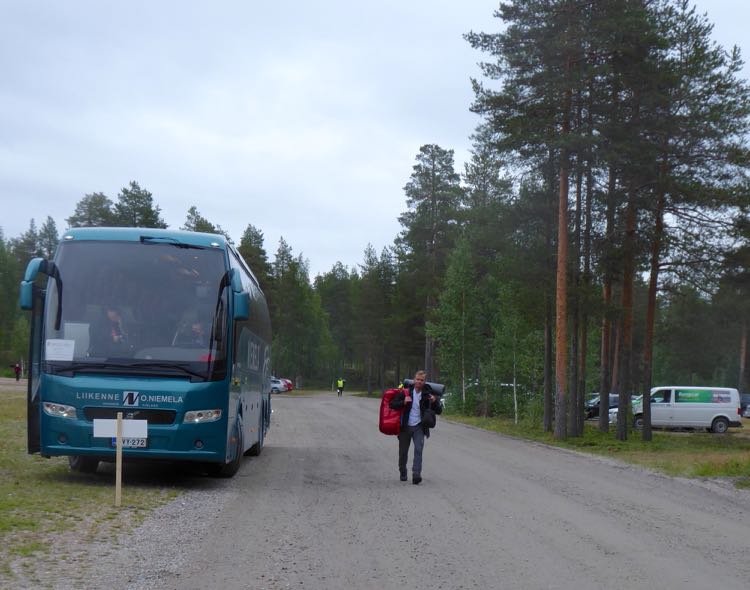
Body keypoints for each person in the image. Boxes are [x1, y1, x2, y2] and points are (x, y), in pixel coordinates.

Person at [389, 370, 442, 484]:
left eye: (422, 380)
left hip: (419, 427)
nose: (419, 382)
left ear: (424, 382)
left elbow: (439, 411)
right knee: (403, 452)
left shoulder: (428, 394)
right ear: (414, 380)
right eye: (417, 379)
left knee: (418, 450)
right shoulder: (406, 392)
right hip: (405, 427)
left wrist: (434, 402)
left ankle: (416, 474)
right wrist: (403, 402)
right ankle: (403, 471)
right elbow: (392, 404)